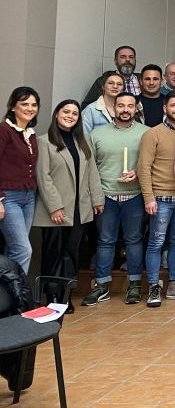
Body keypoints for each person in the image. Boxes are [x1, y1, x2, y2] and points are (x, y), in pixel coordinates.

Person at [81, 92, 148, 306]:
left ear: (136, 108)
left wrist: (137, 172)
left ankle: (135, 284)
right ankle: (101, 285)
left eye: (130, 105)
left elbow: (150, 163)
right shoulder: (97, 134)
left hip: (134, 195)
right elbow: (89, 167)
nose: (125, 109)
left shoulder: (146, 133)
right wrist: (95, 196)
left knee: (134, 240)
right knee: (105, 240)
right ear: (114, 108)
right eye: (121, 105)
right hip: (106, 195)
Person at [34, 100, 103, 297]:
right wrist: (54, 207)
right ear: (56, 114)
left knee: (71, 255)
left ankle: (65, 295)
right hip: (56, 210)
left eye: (74, 113)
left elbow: (92, 172)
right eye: (66, 111)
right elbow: (43, 177)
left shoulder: (83, 140)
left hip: (79, 209)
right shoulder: (44, 141)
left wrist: (97, 199)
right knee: (53, 255)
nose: (70, 116)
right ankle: (52, 296)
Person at [138, 91, 175, 306]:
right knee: (156, 243)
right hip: (160, 197)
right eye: (173, 105)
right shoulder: (153, 134)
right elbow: (143, 168)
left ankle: (174, 285)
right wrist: (148, 198)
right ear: (165, 108)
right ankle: (154, 287)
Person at [0, 87, 41, 274]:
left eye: (34, 104)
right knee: (23, 249)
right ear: (13, 106)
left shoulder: (30, 134)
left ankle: (6, 298)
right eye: (24, 104)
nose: (30, 108)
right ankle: (19, 298)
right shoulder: (4, 131)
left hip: (28, 197)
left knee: (13, 250)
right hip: (8, 197)